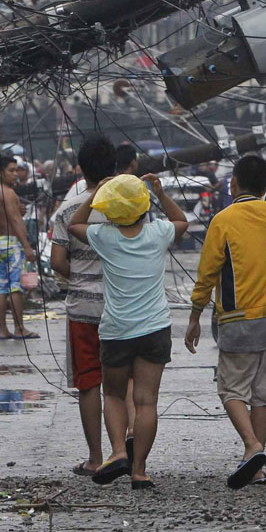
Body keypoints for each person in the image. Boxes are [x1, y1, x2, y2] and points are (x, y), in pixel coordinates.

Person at [185, 155, 266, 489]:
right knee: (262, 395)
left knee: (231, 390)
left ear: (233, 183)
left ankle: (252, 448)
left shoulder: (222, 220)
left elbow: (206, 274)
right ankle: (256, 467)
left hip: (238, 319)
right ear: (265, 184)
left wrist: (194, 316)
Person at [70, 174, 189, 489]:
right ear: (143, 206)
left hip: (117, 331)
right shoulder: (158, 232)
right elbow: (181, 220)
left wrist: (96, 193)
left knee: (113, 394)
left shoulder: (104, 237)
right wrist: (161, 193)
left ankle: (119, 451)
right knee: (146, 401)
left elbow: (74, 226)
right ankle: (139, 471)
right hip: (154, 329)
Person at [50, 135, 119, 475]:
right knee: (124, 383)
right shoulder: (129, 207)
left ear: (81, 169)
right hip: (123, 306)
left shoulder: (66, 210)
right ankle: (126, 453)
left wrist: (79, 275)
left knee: (89, 382)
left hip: (83, 309)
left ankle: (95, 458)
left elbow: (57, 261)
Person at [0, 153, 38, 340]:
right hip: (12, 243)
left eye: (16, 170)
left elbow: (7, 214)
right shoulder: (8, 193)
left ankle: (3, 330)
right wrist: (26, 246)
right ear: (0, 172)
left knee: (1, 287)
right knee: (15, 288)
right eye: (11, 171)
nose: (15, 174)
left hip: (0, 242)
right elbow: (15, 220)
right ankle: (20, 329)